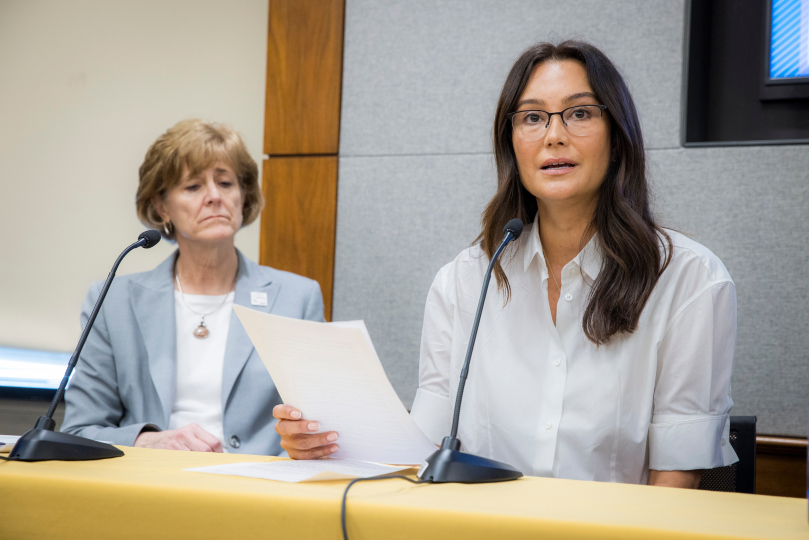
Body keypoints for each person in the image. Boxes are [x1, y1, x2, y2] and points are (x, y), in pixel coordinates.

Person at [274, 40, 738, 488]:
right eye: (532, 117)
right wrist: (325, 446)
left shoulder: (689, 279)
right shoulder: (463, 281)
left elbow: (678, 475)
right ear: (511, 144)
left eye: (579, 113)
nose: (554, 135)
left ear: (618, 136)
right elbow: (423, 450)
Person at [62, 119, 325, 454]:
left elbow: (321, 423)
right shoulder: (113, 301)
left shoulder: (297, 298)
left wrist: (303, 442)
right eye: (193, 186)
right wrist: (150, 441)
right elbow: (81, 429)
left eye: (225, 183)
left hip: (260, 480)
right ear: (162, 206)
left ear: (243, 196)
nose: (214, 196)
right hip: (153, 478)